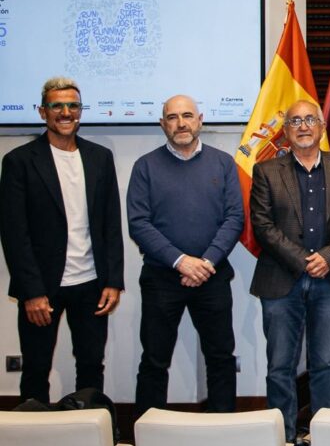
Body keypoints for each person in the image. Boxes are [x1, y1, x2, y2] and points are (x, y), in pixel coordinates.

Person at [1, 77, 124, 404]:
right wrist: (31, 292)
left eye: (73, 105)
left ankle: (91, 431)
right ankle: (34, 436)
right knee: (36, 368)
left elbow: (111, 224)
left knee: (91, 366)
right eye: (57, 106)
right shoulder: (19, 161)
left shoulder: (100, 157)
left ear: (80, 111)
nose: (66, 112)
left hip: (92, 284)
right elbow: (14, 234)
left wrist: (113, 281)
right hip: (42, 289)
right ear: (43, 112)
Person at [249, 99, 330, 440]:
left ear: (322, 127)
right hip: (280, 281)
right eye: (295, 121)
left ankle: (323, 434)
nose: (303, 126)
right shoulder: (267, 170)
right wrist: (303, 260)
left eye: (310, 120)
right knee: (280, 365)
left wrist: (328, 257)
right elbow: (262, 225)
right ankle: (282, 438)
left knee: (326, 361)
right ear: (285, 130)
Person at [126, 94, 243, 414]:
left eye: (188, 116)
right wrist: (181, 261)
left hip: (212, 275)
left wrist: (205, 262)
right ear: (162, 124)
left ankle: (223, 427)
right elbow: (138, 223)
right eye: (173, 117)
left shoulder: (223, 163)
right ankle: (148, 431)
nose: (181, 123)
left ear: (200, 120)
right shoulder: (145, 166)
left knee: (221, 357)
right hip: (162, 278)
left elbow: (235, 218)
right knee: (154, 360)